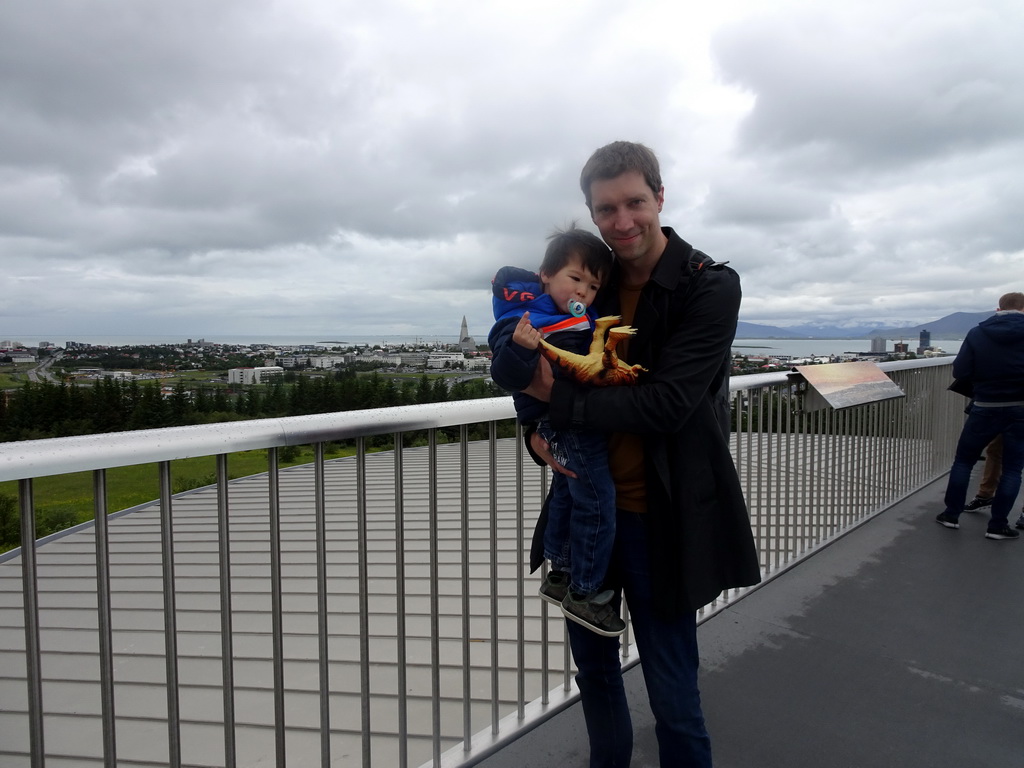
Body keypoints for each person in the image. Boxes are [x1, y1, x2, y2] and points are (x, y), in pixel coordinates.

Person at [522, 141, 761, 767]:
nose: (622, 221)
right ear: (591, 214)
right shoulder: (588, 284)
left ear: (660, 196)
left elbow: (668, 405)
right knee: (595, 678)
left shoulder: (707, 286)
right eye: (606, 209)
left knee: (673, 691)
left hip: (662, 518)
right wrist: (533, 429)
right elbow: (534, 367)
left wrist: (559, 403)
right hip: (584, 514)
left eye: (634, 202)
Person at [488, 226, 626, 636]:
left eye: (593, 284)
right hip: (567, 423)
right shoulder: (526, 321)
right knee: (598, 501)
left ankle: (560, 573)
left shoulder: (572, 319)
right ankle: (586, 592)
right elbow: (506, 375)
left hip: (566, 421)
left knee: (567, 492)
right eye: (575, 278)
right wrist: (521, 346)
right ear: (545, 275)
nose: (583, 291)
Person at [935, 292, 1024, 539]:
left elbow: (961, 369)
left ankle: (951, 515)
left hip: (985, 405)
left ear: (998, 309)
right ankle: (997, 526)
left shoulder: (977, 333)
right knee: (1013, 468)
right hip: (1019, 408)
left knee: (964, 461)